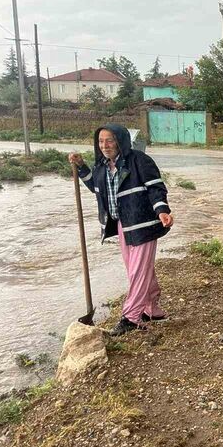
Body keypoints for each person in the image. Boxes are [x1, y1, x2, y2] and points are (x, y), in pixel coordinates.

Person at [68, 124, 173, 336]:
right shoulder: (101, 167)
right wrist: (81, 167)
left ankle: (131, 317)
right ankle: (151, 309)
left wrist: (162, 210)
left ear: (120, 141)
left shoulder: (139, 161)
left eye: (110, 140)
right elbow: (96, 188)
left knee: (138, 272)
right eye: (100, 141)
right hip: (123, 226)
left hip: (143, 225)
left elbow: (155, 188)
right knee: (138, 270)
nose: (105, 146)